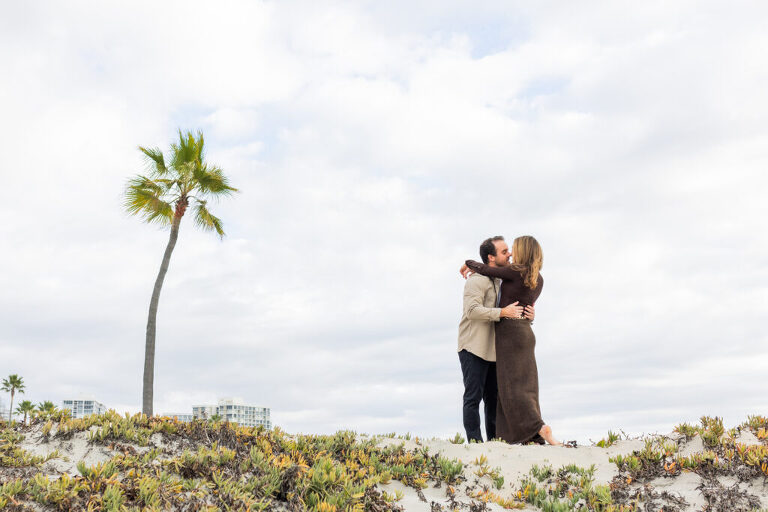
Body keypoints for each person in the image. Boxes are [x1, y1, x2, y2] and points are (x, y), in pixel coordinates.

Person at [460, 235, 560, 446]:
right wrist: (506, 312)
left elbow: (520, 304)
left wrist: (526, 315)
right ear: (491, 257)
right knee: (476, 397)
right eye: (505, 252)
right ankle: (477, 444)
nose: (510, 254)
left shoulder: (506, 276)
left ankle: (498, 441)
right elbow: (471, 311)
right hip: (475, 346)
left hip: (501, 345)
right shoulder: (478, 280)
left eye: (510, 250)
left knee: (500, 396)